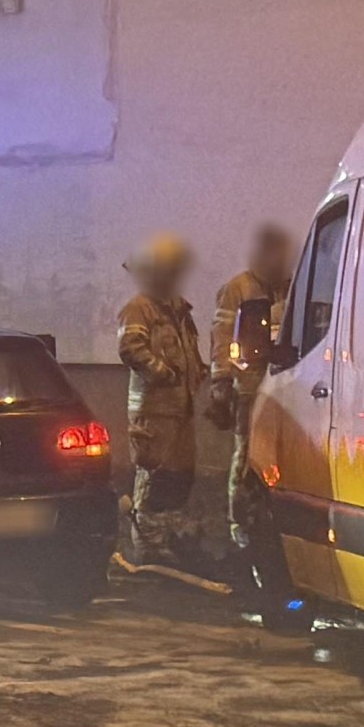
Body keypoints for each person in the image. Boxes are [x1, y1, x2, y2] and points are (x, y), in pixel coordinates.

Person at [207, 222, 300, 613]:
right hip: (250, 388)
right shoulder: (238, 289)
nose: (280, 261)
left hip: (288, 389)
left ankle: (274, 530)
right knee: (246, 460)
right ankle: (241, 532)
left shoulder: (292, 287)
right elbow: (222, 338)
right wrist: (221, 382)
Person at [113, 235, 206, 568]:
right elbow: (130, 348)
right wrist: (163, 372)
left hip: (180, 408)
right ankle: (148, 545)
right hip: (154, 411)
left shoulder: (179, 310)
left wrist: (200, 372)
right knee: (155, 475)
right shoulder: (139, 309)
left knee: (179, 476)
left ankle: (170, 541)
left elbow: (188, 351)